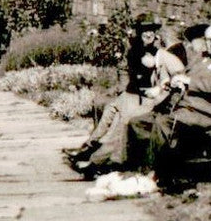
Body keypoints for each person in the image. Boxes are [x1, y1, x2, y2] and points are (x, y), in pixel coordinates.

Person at [120, 22, 211, 183]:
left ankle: (154, 174)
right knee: (138, 122)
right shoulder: (202, 58)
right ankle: (137, 168)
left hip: (207, 113)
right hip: (184, 109)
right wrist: (173, 81)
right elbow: (183, 74)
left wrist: (188, 81)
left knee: (163, 123)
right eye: (209, 39)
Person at [69, 17, 186, 173]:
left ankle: (99, 161)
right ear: (138, 33)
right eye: (144, 31)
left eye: (152, 30)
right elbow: (126, 70)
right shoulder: (136, 50)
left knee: (122, 121)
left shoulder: (164, 55)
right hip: (137, 94)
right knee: (111, 110)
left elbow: (179, 76)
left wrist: (160, 87)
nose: (149, 34)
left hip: (150, 100)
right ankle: (93, 149)